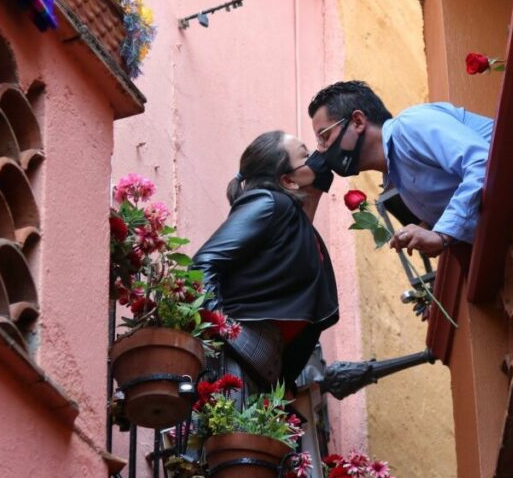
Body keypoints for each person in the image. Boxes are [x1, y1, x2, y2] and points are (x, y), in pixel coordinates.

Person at [192, 130, 338, 393]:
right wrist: (221, 328)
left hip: (263, 366)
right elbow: (204, 263)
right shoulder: (268, 201)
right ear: (287, 180)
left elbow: (292, 249)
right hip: (239, 353)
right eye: (306, 156)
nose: (316, 160)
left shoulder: (292, 221)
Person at [308, 81, 493, 257]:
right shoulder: (394, 175)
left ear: (357, 121)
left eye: (325, 136)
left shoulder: (410, 125)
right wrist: (427, 228)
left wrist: (443, 235)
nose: (322, 150)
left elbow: (482, 163)